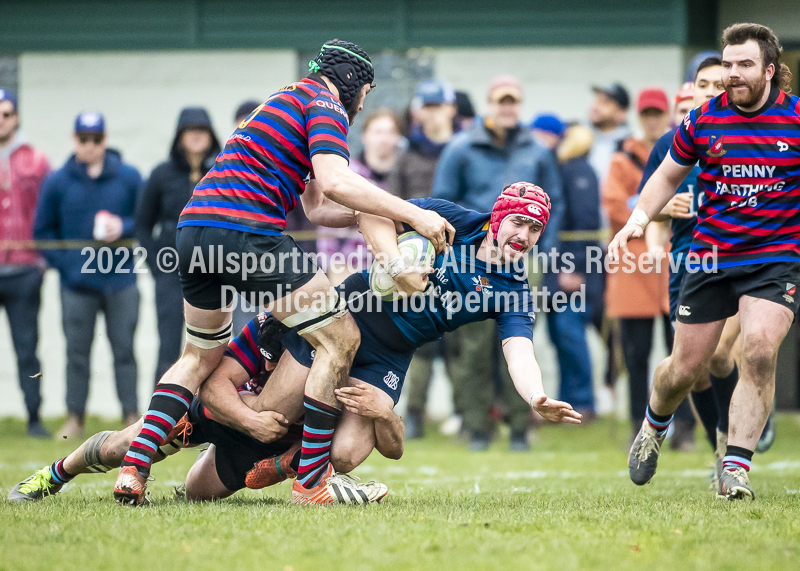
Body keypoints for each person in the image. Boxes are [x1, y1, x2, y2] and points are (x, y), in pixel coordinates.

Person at [114, 39, 454, 506]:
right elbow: (337, 181)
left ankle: (134, 466)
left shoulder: (281, 99)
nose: (362, 105)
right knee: (340, 339)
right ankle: (310, 483)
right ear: (352, 82)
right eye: (367, 93)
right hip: (248, 234)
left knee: (198, 357)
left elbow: (317, 206)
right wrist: (415, 215)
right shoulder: (326, 104)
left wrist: (371, 215)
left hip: (194, 231)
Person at [612, 23, 798, 500]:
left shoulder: (795, 120)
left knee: (758, 349)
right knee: (685, 369)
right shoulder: (703, 122)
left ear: (770, 71)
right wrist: (637, 221)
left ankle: (734, 468)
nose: (732, 73)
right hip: (711, 257)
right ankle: (654, 425)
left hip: (775, 257)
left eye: (744, 65)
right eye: (727, 64)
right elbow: (665, 177)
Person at [433, 74, 564, 451]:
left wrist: (550, 257)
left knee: (520, 341)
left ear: (519, 106)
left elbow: (557, 204)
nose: (507, 107)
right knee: (473, 347)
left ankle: (521, 428)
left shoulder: (537, 150)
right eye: (500, 101)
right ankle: (477, 428)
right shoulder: (460, 148)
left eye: (513, 101)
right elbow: (443, 202)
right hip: (474, 257)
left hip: (525, 260)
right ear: (488, 104)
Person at [34, 111, 141, 439]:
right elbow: (42, 232)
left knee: (124, 351)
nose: (90, 145)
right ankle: (75, 417)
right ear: (74, 139)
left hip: (121, 281)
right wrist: (68, 264)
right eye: (83, 139)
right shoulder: (57, 181)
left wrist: (122, 226)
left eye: (96, 139)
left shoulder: (129, 177)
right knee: (76, 353)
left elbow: (145, 219)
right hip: (76, 285)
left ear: (105, 140)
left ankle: (131, 415)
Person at [602, 88, 677, 441]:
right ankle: (638, 424)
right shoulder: (622, 159)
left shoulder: (682, 149)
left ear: (667, 115)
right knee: (636, 354)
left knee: (683, 352)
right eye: (646, 113)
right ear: (638, 116)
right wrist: (658, 207)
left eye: (657, 113)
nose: (651, 119)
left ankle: (685, 428)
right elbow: (614, 206)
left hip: (674, 260)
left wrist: (643, 207)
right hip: (633, 267)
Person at [389, 79, 458, 438]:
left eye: (438, 105)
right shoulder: (407, 154)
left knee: (462, 342)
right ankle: (413, 413)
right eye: (426, 106)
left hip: (459, 255)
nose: (432, 113)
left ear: (451, 108)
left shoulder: (464, 146)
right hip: (418, 258)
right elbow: (393, 204)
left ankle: (469, 417)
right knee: (422, 341)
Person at [136, 107, 221, 386]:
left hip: (214, 273)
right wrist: (156, 266)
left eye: (202, 130)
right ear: (179, 136)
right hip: (170, 274)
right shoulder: (162, 174)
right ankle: (156, 418)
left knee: (213, 348)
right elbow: (143, 225)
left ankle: (204, 418)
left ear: (211, 135)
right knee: (169, 346)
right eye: (190, 130)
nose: (196, 136)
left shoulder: (222, 171)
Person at [0, 88, 51, 438]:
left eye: (5, 113)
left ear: (15, 117)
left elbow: (49, 213)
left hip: (23, 270)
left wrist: (43, 260)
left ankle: (34, 418)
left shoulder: (37, 160)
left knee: (26, 348)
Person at [541, 124, 601, 417]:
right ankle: (569, 401)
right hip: (557, 267)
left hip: (571, 268)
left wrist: (574, 267)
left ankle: (583, 402)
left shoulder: (578, 171)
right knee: (559, 335)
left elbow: (587, 224)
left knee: (569, 333)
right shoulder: (563, 169)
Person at [316, 108, 403, 283]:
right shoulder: (348, 175)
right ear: (365, 136)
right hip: (350, 268)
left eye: (390, 132)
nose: (384, 139)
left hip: (393, 269)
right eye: (378, 132)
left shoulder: (404, 176)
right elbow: (328, 231)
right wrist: (329, 270)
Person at [587, 83, 631, 187]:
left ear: (621, 112)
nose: (596, 107)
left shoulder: (630, 147)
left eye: (605, 102)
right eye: (596, 101)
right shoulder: (580, 140)